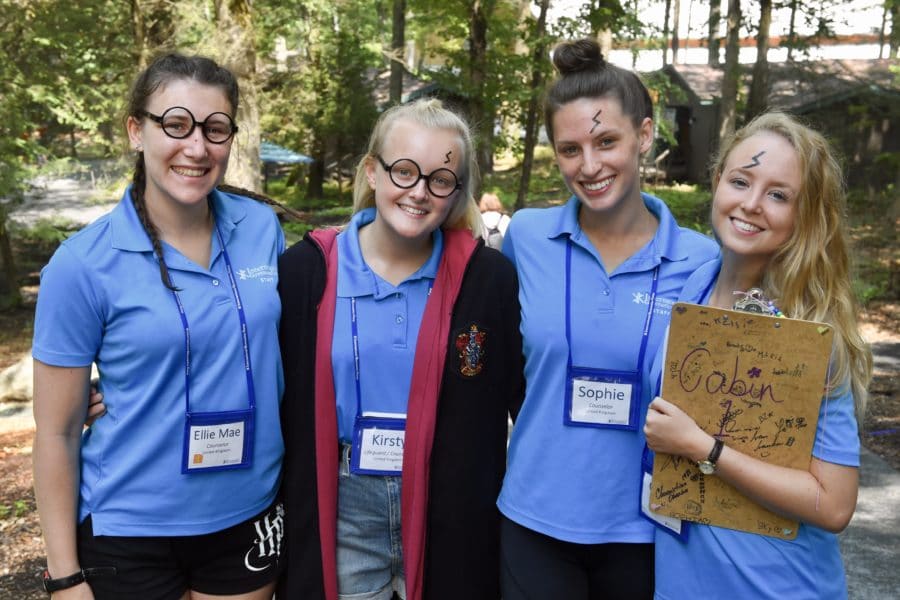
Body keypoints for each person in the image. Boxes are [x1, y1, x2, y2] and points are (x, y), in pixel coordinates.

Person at [32, 53, 285, 599]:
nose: (196, 147)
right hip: (131, 528)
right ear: (136, 131)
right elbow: (54, 434)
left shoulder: (262, 228)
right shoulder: (81, 265)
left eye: (215, 129)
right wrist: (63, 576)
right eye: (175, 124)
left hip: (247, 511)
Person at [496, 39, 719, 599]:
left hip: (648, 528)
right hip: (534, 517)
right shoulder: (525, 236)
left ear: (644, 135)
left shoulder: (701, 260)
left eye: (606, 141)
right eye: (569, 149)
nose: (589, 166)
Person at [276, 98, 525, 600]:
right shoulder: (308, 271)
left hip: (446, 504)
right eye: (404, 172)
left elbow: (523, 393)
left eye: (440, 179)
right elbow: (262, 378)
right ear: (372, 171)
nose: (419, 192)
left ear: (457, 191)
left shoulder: (485, 278)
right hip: (342, 503)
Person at [643, 112, 873, 599]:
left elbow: (833, 506)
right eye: (741, 180)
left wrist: (702, 447)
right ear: (717, 181)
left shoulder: (807, 330)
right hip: (683, 578)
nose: (750, 204)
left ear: (805, 216)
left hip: (774, 585)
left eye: (778, 194)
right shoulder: (693, 286)